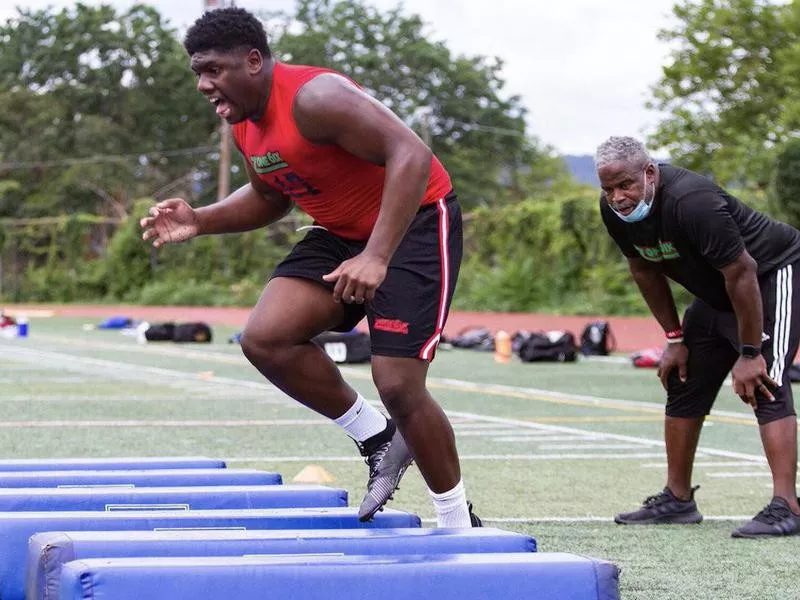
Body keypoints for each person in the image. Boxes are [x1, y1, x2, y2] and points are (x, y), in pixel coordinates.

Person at [139, 7, 480, 527]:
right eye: (198, 73)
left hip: (413, 223)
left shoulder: (315, 97)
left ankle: (459, 523)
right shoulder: (246, 126)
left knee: (398, 385)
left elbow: (410, 153)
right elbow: (269, 197)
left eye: (213, 69)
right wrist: (200, 220)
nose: (205, 84)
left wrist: (376, 255)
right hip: (341, 232)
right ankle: (378, 438)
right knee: (265, 338)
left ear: (253, 61)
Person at [596, 136, 799, 538]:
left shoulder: (693, 202)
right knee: (682, 377)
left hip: (772, 275)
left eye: (626, 186)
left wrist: (749, 352)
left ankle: (787, 505)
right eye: (608, 189)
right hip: (718, 292)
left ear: (650, 173)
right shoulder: (614, 212)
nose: (618, 197)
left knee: (766, 383)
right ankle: (677, 498)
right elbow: (643, 270)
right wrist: (674, 339)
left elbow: (742, 272)